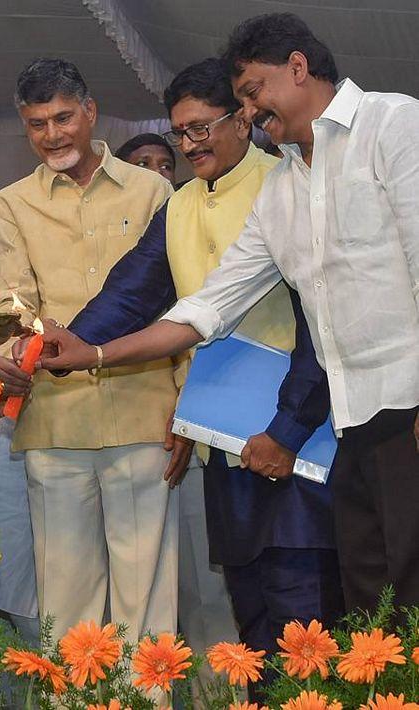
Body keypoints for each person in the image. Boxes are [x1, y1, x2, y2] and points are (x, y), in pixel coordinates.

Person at [39, 13, 419, 613]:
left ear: (298, 67)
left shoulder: (394, 125)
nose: (250, 113)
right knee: (373, 610)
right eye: (241, 100)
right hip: (351, 423)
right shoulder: (283, 188)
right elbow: (209, 305)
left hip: (402, 408)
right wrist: (94, 352)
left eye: (252, 95)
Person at [59, 59, 343, 694]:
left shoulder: (290, 184)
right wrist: (71, 342)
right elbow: (132, 293)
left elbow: (320, 327)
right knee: (253, 618)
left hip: (302, 439)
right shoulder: (181, 204)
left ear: (244, 118)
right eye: (180, 132)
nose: (190, 145)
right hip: (223, 440)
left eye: (203, 128)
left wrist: (288, 430)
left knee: (310, 619)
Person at [0, 58, 181, 643]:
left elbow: (178, 299)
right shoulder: (12, 204)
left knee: (146, 600)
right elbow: (7, 302)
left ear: (90, 113)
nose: (52, 135)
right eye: (37, 124)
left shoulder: (153, 190)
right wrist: (30, 334)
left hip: (145, 410)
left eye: (63, 118)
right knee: (65, 599)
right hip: (55, 418)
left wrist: (186, 399)